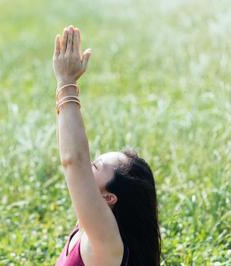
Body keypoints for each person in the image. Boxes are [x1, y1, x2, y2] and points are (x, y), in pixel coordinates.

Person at [53, 25, 161, 266]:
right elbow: (72, 157)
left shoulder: (105, 239)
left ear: (109, 197)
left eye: (94, 165)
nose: (87, 166)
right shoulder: (91, 225)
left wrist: (66, 82)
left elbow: (74, 161)